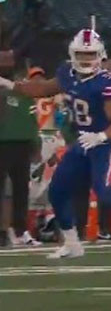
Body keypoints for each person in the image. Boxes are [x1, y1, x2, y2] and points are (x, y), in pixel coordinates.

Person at [0, 28, 111, 258]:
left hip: (103, 143)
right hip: (81, 142)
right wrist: (7, 83)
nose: (85, 59)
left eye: (90, 54)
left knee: (105, 190)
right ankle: (72, 243)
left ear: (100, 55)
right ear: (73, 53)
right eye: (81, 53)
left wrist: (101, 137)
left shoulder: (106, 81)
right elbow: (40, 89)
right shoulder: (67, 73)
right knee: (57, 191)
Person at [0, 63, 42, 247]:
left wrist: (36, 146)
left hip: (23, 145)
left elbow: (33, 122)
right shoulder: (3, 94)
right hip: (3, 144)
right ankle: (3, 232)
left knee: (21, 190)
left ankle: (21, 230)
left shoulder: (27, 97)